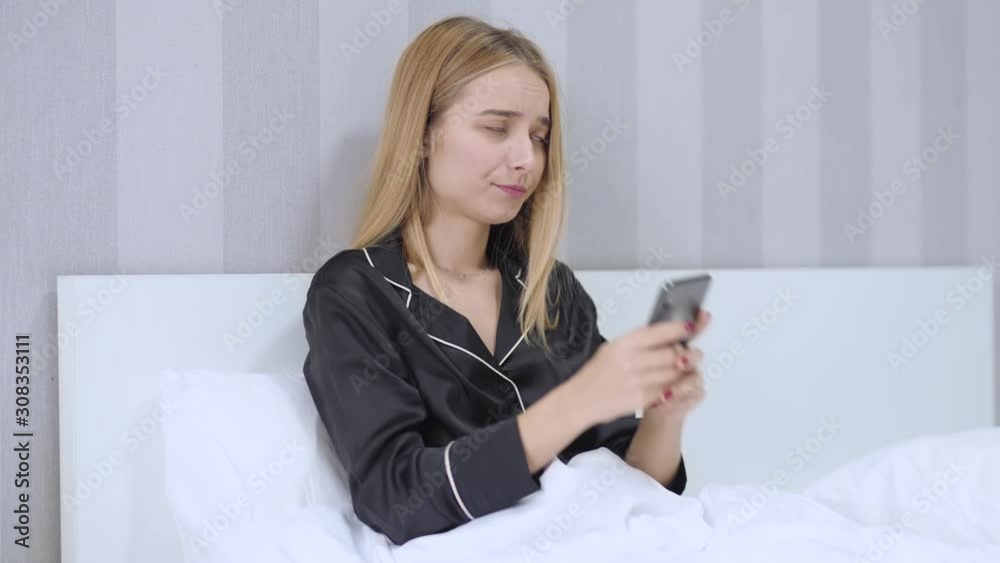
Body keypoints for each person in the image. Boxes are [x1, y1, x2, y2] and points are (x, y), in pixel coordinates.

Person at [301, 15, 711, 546]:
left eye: (539, 137)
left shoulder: (552, 290)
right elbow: (396, 497)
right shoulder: (354, 292)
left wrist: (663, 415)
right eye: (496, 128)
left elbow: (633, 488)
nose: (526, 160)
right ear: (422, 135)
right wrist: (579, 401)